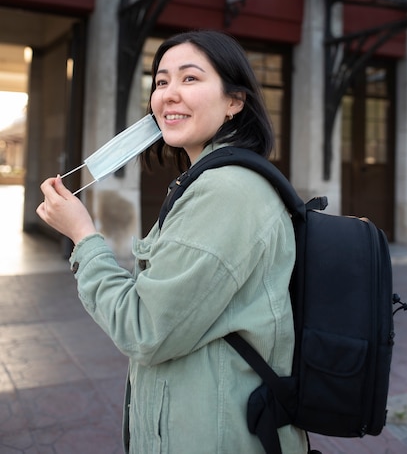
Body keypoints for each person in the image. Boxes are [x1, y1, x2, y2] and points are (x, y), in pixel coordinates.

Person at [37, 30, 307, 454]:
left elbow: (144, 328)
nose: (168, 95)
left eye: (190, 79)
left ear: (235, 101)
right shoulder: (206, 181)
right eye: (161, 82)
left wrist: (83, 236)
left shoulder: (226, 193)